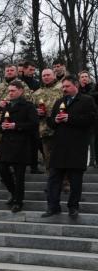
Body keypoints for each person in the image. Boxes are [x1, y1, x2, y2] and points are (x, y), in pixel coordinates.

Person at [42, 75, 97, 218]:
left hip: (77, 147)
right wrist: (54, 120)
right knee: (54, 179)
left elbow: (91, 120)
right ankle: (53, 207)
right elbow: (51, 123)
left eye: (67, 86)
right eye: (63, 87)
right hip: (59, 146)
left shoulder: (87, 100)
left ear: (76, 86)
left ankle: (73, 207)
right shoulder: (59, 101)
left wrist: (70, 118)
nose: (64, 89)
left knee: (75, 181)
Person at [0, 80, 38, 213]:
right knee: (2, 170)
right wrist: (2, 127)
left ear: (21, 91)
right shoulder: (7, 107)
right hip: (6, 145)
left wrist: (16, 126)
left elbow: (33, 124)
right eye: (9, 91)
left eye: (13, 91)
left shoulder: (28, 106)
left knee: (19, 176)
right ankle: (14, 193)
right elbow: (1, 124)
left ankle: (18, 201)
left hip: (21, 145)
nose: (10, 93)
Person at [0, 64, 31, 173]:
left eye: (12, 70)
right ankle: (1, 165)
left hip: (16, 121)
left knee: (14, 147)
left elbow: (29, 99)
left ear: (16, 72)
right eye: (7, 70)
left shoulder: (22, 85)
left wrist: (13, 101)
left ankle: (13, 168)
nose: (9, 72)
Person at [32, 69, 63, 170]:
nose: (46, 77)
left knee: (63, 157)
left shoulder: (63, 88)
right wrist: (36, 112)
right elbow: (31, 111)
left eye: (48, 75)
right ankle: (52, 183)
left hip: (62, 128)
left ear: (54, 75)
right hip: (45, 130)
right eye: (44, 75)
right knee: (49, 159)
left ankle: (65, 184)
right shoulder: (37, 93)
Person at [78, 70, 98, 167]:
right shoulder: (76, 89)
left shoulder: (94, 88)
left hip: (92, 120)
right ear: (79, 79)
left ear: (89, 78)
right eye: (82, 77)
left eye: (86, 76)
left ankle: (92, 162)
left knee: (92, 141)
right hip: (79, 119)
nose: (84, 78)